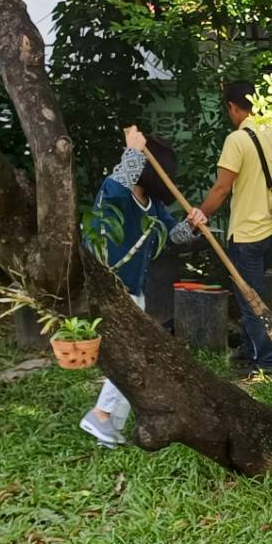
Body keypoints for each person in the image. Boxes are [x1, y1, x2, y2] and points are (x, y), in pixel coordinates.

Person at [80, 125, 197, 447]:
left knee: (132, 355)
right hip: (110, 286)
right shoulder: (116, 191)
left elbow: (173, 237)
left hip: (134, 288)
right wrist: (133, 151)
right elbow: (117, 186)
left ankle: (106, 421)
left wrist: (191, 225)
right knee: (131, 356)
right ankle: (102, 416)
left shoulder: (154, 206)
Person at [184, 81, 272, 377]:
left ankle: (265, 363)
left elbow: (222, 188)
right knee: (250, 295)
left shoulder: (236, 140)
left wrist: (200, 213)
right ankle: (250, 348)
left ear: (232, 106)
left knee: (250, 301)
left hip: (246, 236)